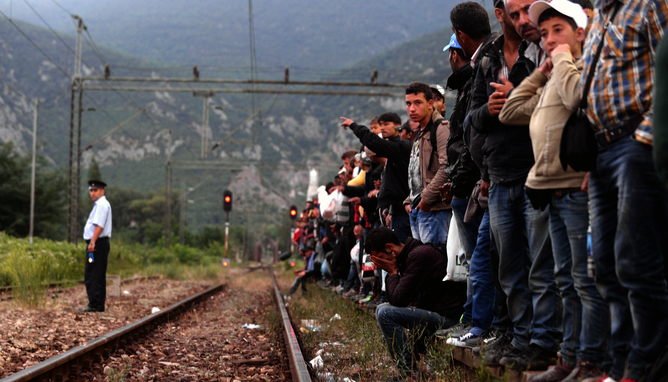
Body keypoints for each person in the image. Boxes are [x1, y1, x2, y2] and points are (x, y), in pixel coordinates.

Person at [499, 1, 609, 380]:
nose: (548, 40)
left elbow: (580, 97)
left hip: (574, 188)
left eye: (558, 31)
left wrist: (560, 59)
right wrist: (538, 74)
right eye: (544, 34)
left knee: (584, 278)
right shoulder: (554, 75)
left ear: (580, 33)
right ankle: (570, 357)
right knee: (564, 278)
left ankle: (590, 360)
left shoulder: (577, 70)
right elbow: (510, 112)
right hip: (549, 190)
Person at [470, 0, 561, 371]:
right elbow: (473, 116)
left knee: (541, 262)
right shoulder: (488, 57)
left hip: (536, 170)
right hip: (500, 173)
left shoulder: (540, 51)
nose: (521, 19)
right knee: (509, 267)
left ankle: (543, 340)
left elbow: (552, 104)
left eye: (526, 11)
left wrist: (516, 100)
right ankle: (522, 338)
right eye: (514, 11)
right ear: (500, 12)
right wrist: (489, 110)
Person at [582, 0, 668, 379]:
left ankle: (645, 362)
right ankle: (620, 364)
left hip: (634, 141)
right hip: (600, 151)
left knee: (636, 261)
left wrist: (644, 141)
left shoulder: (650, 4)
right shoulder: (600, 15)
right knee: (605, 265)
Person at [367, 227, 466, 380]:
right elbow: (401, 299)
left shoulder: (418, 256)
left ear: (389, 247)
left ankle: (408, 373)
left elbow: (399, 299)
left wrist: (392, 272)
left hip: (449, 321)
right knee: (382, 308)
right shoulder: (410, 256)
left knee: (385, 313)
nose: (380, 264)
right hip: (436, 313)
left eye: (380, 258)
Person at [340, 112, 411, 244]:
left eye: (386, 124)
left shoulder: (399, 147)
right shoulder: (393, 150)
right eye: (381, 125)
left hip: (402, 212)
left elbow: (373, 142)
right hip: (394, 212)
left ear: (398, 126)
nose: (382, 128)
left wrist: (354, 126)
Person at [403, 82, 451, 245]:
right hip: (418, 208)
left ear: (430, 104)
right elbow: (417, 171)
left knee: (434, 261)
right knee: (424, 261)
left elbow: (446, 168)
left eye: (418, 103)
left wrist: (425, 199)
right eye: (408, 104)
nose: (412, 109)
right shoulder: (420, 133)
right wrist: (409, 200)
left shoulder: (441, 128)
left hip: (434, 209)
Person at [80, 180, 112, 313]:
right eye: (91, 190)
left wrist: (92, 242)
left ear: (102, 191)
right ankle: (97, 304)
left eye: (95, 190)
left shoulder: (102, 205)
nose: (92, 193)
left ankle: (95, 304)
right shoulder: (99, 205)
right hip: (97, 244)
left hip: (97, 244)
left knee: (92, 273)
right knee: (96, 273)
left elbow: (99, 225)